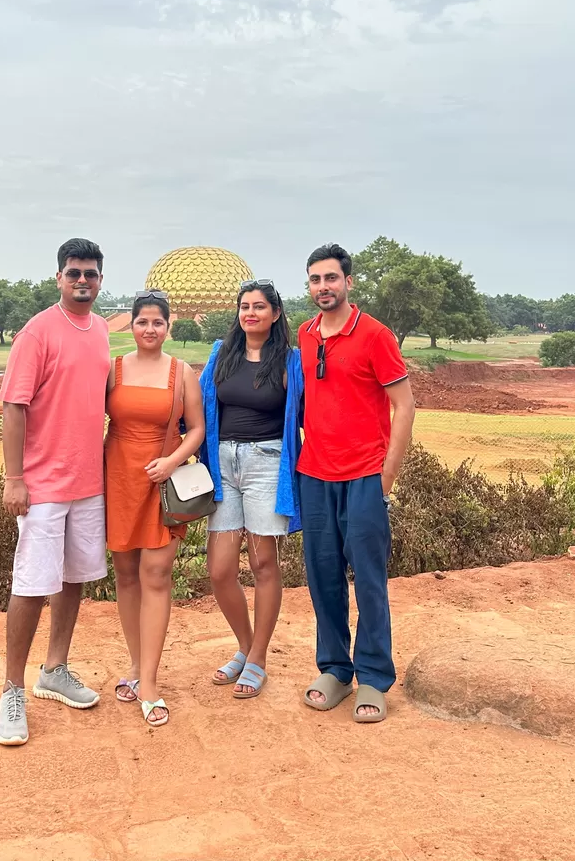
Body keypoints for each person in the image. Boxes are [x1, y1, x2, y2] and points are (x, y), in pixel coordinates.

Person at [0, 238, 111, 747]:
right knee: (32, 584)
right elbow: (14, 406)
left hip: (89, 481)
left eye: (90, 272)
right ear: (59, 278)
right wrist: (14, 478)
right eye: (73, 272)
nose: (82, 280)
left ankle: (55, 668)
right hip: (42, 484)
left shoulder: (103, 330)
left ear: (100, 279)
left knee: (73, 578)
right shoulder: (37, 332)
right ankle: (12, 688)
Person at [297, 243, 416, 724]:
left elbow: (404, 405)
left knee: (367, 578)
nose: (323, 287)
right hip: (315, 473)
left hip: (365, 475)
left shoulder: (374, 335)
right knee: (322, 575)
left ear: (349, 281)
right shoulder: (305, 336)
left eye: (331, 278)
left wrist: (387, 474)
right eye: (315, 280)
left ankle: (372, 675)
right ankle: (334, 668)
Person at [198, 280, 304, 698]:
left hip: (267, 464)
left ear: (275, 314)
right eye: (244, 306)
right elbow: (200, 405)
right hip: (224, 464)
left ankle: (258, 658)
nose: (251, 313)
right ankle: (245, 647)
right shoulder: (221, 355)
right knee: (220, 569)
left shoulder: (289, 362)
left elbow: (309, 412)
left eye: (259, 307)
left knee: (263, 565)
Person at [105, 291, 205, 727]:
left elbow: (197, 427)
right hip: (118, 479)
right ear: (132, 325)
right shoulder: (113, 369)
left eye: (157, 323)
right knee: (125, 575)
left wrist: (172, 461)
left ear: (169, 327)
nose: (149, 329)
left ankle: (149, 681)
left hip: (161, 481)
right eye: (142, 321)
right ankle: (133, 664)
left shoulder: (182, 372)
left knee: (156, 575)